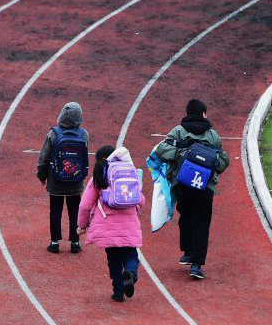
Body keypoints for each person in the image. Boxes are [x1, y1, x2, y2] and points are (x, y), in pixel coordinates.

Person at [153, 99, 230, 279]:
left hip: (183, 184)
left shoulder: (179, 131)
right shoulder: (213, 135)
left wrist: (180, 156)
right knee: (202, 223)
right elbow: (223, 161)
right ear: (203, 113)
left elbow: (161, 149)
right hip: (205, 187)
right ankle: (197, 265)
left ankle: (187, 252)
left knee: (186, 216)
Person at [78, 146, 144, 302]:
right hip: (129, 224)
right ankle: (131, 273)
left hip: (107, 225)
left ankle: (118, 292)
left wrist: (82, 225)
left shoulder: (99, 176)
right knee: (131, 255)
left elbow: (85, 205)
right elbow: (141, 200)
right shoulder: (130, 172)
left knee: (113, 259)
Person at [36, 101, 89, 253]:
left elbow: (44, 157)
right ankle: (75, 242)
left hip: (55, 180)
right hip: (76, 180)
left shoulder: (53, 133)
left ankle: (54, 243)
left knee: (55, 211)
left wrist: (42, 175)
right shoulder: (84, 134)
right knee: (74, 211)